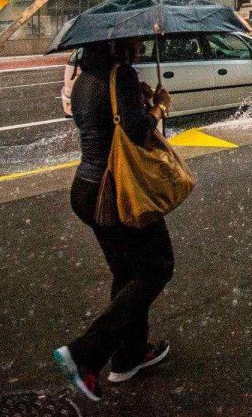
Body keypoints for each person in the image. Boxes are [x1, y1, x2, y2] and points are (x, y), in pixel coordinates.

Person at [53, 38, 174, 401]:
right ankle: (85, 353)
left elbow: (105, 124)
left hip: (87, 190)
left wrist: (136, 100)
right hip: (118, 192)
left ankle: (128, 357)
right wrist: (158, 108)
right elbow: (137, 134)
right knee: (157, 267)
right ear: (120, 45)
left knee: (127, 274)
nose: (139, 45)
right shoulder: (120, 75)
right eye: (134, 41)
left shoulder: (84, 78)